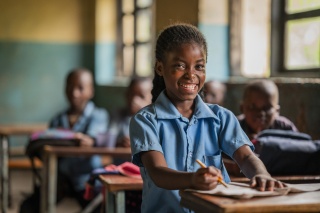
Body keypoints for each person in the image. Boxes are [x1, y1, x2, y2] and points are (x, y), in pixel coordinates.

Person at [129, 23, 284, 213]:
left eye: (199, 66)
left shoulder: (221, 117)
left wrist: (261, 174)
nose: (191, 74)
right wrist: (193, 179)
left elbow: (245, 157)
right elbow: (157, 173)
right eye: (180, 65)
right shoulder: (146, 120)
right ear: (160, 68)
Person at [49, 68, 109, 209]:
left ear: (91, 91)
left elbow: (91, 139)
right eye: (70, 87)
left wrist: (90, 141)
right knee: (30, 206)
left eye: (80, 88)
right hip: (61, 179)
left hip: (88, 179)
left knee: (100, 207)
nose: (74, 93)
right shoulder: (57, 119)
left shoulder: (99, 115)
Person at [112, 76, 153, 148]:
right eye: (132, 94)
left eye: (141, 96)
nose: (134, 100)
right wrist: (119, 142)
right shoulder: (118, 115)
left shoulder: (158, 120)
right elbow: (108, 138)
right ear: (126, 95)